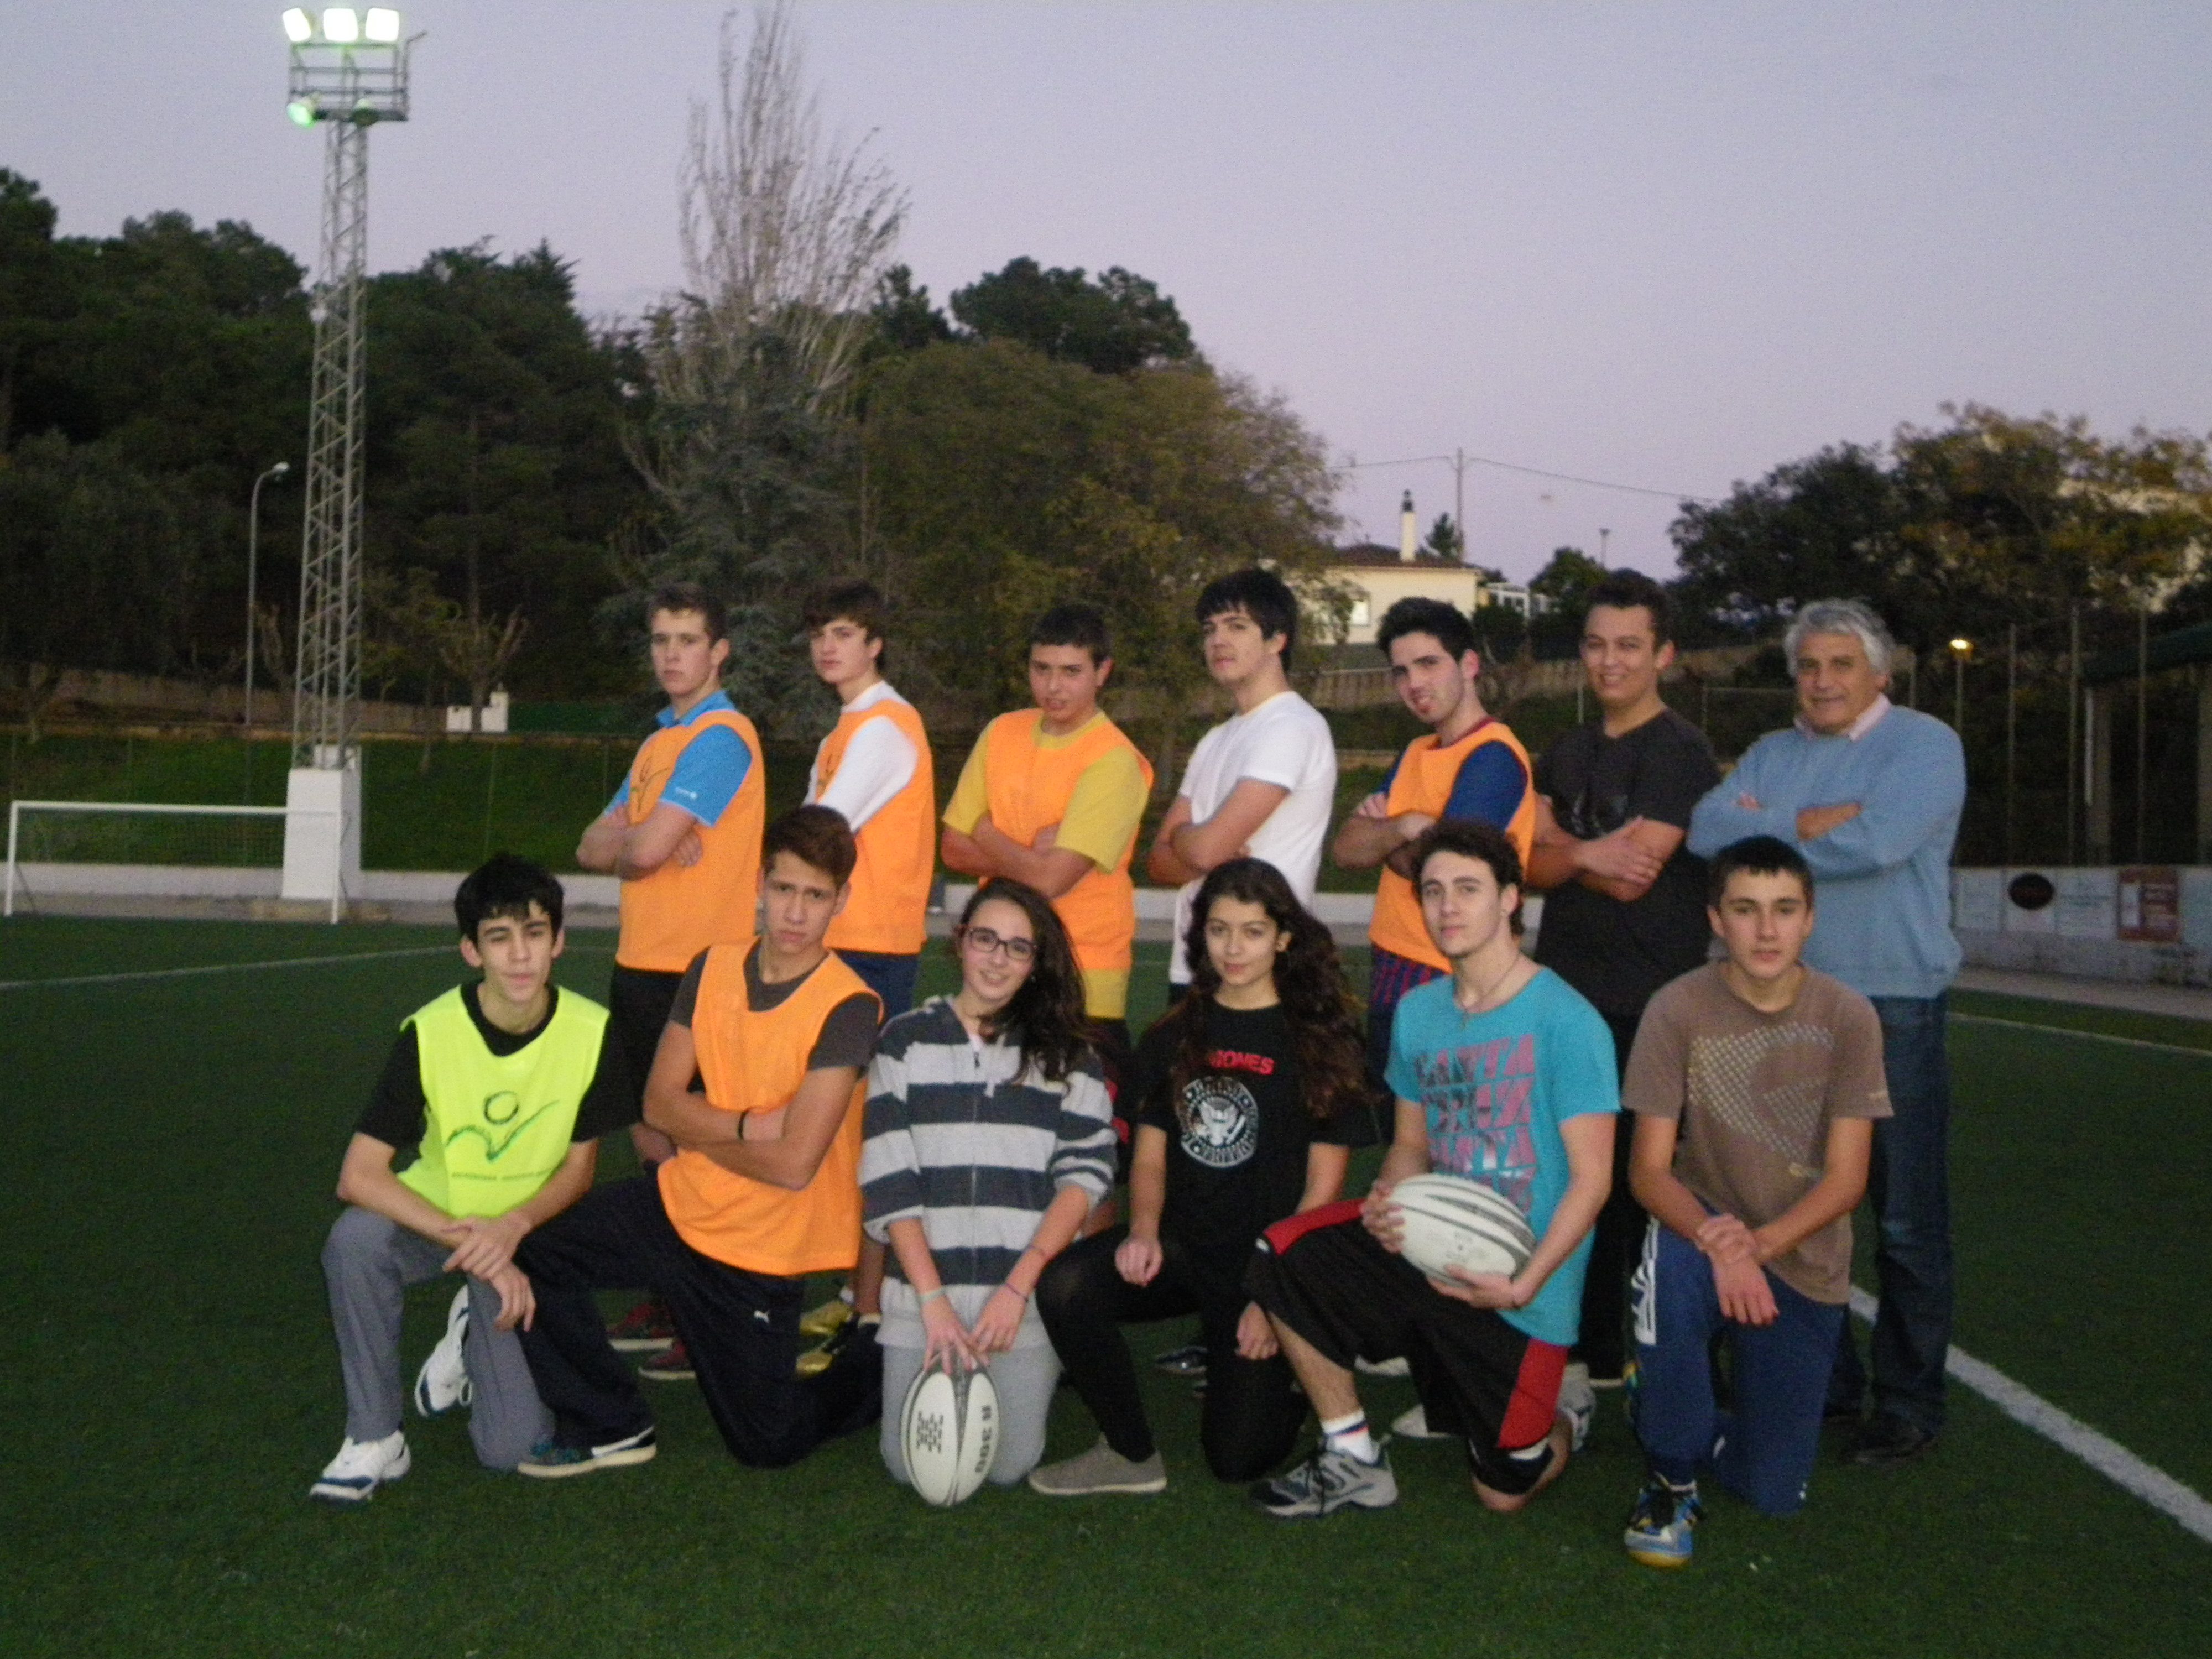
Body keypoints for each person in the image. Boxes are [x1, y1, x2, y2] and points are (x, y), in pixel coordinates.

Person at [1246, 821, 1616, 1520]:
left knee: (1503, 1490)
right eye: (1434, 891)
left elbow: (1593, 1179)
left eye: (1468, 889)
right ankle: (1351, 1455)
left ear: (1510, 899)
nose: (1448, 907)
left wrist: (1523, 1283)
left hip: (1519, 1277)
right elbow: (1411, 1144)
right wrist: (1389, 1198)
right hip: (1431, 1247)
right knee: (1283, 1250)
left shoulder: (1567, 1020)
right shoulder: (1418, 1013)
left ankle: (1564, 1414)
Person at [509, 807, 882, 1476]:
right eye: (784, 889)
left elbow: (794, 1165)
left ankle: (878, 1364)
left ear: (842, 901)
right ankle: (611, 1421)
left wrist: (700, 1130)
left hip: (762, 1248)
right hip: (681, 1205)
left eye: (816, 895)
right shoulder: (712, 966)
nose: (796, 912)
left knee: (766, 1444)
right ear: (759, 885)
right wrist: (743, 1127)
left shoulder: (849, 1006)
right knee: (536, 1247)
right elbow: (656, 1103)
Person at [1687, 598, 1964, 1469]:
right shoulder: (1775, 751)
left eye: (1842, 664)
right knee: (1789, 1207)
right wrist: (1799, 824)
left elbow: (1877, 843)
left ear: (1880, 673)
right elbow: (1707, 832)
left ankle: (1909, 1404)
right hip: (1784, 1006)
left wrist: (1770, 829)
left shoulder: (1925, 745)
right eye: (1809, 665)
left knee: (1905, 1218)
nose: (1823, 680)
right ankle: (1828, 1384)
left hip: (1891, 1005)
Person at [1027, 859, 1378, 1495]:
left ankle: (1299, 1368)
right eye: (1219, 930)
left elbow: (1322, 1191)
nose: (1233, 949)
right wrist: (1144, 1231)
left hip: (1265, 1264)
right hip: (1187, 1249)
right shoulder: (1177, 1032)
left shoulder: (1320, 1040)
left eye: (1252, 931)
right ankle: (1128, 1450)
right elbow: (1150, 1157)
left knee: (1237, 1459)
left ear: (1283, 938)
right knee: (1066, 1285)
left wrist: (1273, 1301)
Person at [310, 854, 630, 1501]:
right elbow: (359, 1176)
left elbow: (578, 1170)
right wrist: (475, 1244)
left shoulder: (593, 1032)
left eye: (534, 933)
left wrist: (511, 1229)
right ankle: (375, 1435)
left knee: (510, 1448)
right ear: (470, 950)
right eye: (499, 937)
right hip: (443, 1222)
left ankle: (469, 1327)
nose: (520, 955)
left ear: (559, 940)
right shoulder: (430, 1033)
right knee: (355, 1242)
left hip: (526, 1237)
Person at [1619, 835, 1890, 1567]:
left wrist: (1758, 1250)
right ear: (1717, 920)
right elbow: (1648, 1172)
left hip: (1798, 1253)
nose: (1766, 930)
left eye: (1783, 910)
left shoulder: (1848, 1016)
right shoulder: (1676, 1008)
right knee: (1671, 1280)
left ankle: (1666, 1403)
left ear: (1810, 919)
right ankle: (1670, 1478)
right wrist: (1721, 1244)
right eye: (1745, 910)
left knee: (1771, 1490)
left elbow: (1847, 1181)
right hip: (1700, 1227)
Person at [1524, 571, 1721, 1386]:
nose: (1611, 662)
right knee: (1564, 1176)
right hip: (1564, 998)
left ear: (1663, 655)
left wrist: (1564, 855)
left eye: (1630, 646)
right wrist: (1584, 856)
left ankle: (1624, 1352)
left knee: (1638, 1187)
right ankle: (1570, 1343)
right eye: (1598, 645)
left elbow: (1635, 874)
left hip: (1649, 1006)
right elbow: (1524, 867)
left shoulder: (1680, 752)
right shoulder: (1565, 750)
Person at [860, 881, 1117, 1489]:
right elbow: (889, 1179)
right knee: (909, 1468)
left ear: (1036, 963)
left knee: (1007, 1467)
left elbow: (1084, 1180)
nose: (998, 960)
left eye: (1018, 948)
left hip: (1017, 1298)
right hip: (925, 1296)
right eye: (986, 940)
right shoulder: (903, 1041)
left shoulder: (1070, 1056)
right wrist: (932, 1302)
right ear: (960, 942)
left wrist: (1019, 1289)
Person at [577, 582, 767, 1368]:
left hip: (699, 973)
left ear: (719, 651)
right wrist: (640, 839)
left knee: (696, 1143)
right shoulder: (659, 743)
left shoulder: (722, 737)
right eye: (661, 640)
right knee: (651, 1135)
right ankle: (672, 1286)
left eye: (688, 640)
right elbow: (590, 845)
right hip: (639, 965)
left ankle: (711, 1307)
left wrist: (639, 841)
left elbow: (639, 851)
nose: (672, 655)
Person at [797, 578, 938, 1362]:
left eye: (844, 633)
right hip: (845, 947)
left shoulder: (885, 728)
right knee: (842, 1126)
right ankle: (858, 1294)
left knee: (862, 1131)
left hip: (870, 950)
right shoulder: (850, 726)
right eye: (820, 633)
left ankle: (871, 1308)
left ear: (875, 644)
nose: (828, 647)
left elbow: (819, 833)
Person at [1333, 595, 1535, 1089]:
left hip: (1448, 972)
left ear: (1469, 665)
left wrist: (1387, 839)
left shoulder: (1493, 756)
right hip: (1393, 962)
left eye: (1429, 664)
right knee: (1393, 1119)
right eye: (1401, 672)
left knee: (1443, 1123)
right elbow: (1346, 849)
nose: (1415, 684)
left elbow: (1444, 871)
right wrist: (1405, 826)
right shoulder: (1416, 751)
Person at [1149, 568, 1337, 989]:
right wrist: (1195, 845)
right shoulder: (1215, 739)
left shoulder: (1291, 726)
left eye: (1237, 626)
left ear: (1277, 640)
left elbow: (1204, 852)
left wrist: (1184, 839)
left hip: (1264, 976)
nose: (1218, 640)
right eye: (1210, 629)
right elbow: (1158, 864)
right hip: (1195, 967)